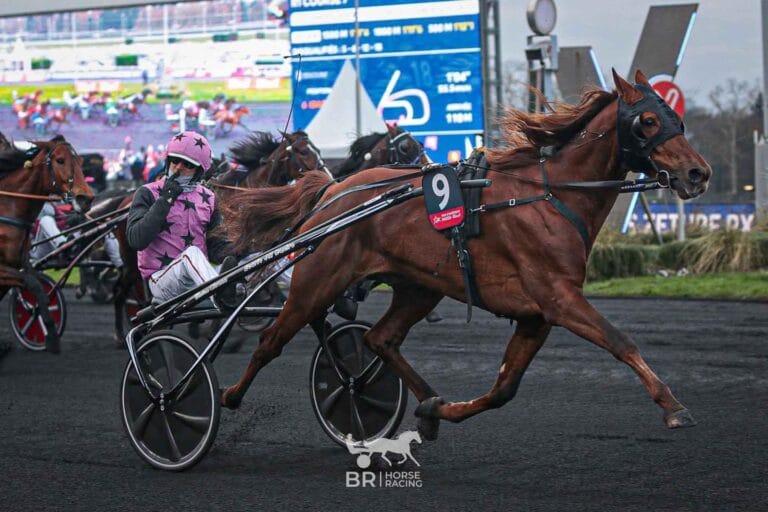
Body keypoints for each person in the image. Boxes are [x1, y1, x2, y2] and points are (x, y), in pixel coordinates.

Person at [126, 131, 238, 306]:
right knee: (192, 254)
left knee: (255, 256)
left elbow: (216, 249)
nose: (178, 168)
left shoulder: (209, 197)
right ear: (167, 161)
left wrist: (241, 248)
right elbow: (136, 240)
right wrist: (165, 199)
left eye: (187, 164)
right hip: (161, 281)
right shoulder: (147, 192)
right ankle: (219, 294)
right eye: (175, 161)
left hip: (197, 282)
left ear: (198, 171)